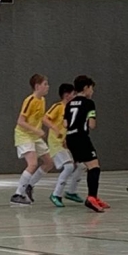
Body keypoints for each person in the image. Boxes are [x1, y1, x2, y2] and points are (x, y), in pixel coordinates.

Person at [65, 75, 109, 213]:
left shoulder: (69, 103)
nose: (92, 91)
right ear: (86, 88)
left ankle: (92, 196)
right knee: (94, 167)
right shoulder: (89, 103)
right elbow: (92, 124)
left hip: (70, 138)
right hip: (81, 137)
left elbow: (65, 123)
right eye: (91, 88)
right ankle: (91, 197)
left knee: (85, 165)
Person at [10, 74, 54, 205]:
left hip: (35, 136)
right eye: (45, 84)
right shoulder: (30, 100)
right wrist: (37, 130)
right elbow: (21, 121)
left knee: (49, 162)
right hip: (24, 135)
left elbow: (40, 118)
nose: (48, 87)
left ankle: (29, 185)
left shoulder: (42, 100)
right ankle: (18, 194)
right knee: (33, 164)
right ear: (37, 86)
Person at [43, 83, 84, 207]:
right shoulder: (58, 107)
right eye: (73, 94)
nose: (75, 96)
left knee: (81, 165)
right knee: (69, 167)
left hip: (66, 143)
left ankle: (71, 192)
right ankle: (56, 194)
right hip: (55, 143)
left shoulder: (72, 110)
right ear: (67, 95)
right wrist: (55, 129)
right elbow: (45, 118)